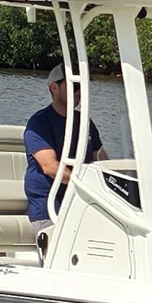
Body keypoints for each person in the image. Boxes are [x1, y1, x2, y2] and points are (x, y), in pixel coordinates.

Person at [24, 61, 104, 232]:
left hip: (83, 203)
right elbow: (50, 167)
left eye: (83, 86)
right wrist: (90, 184)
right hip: (50, 207)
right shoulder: (39, 123)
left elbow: (102, 160)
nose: (80, 92)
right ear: (54, 87)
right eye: (75, 86)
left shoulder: (85, 122)